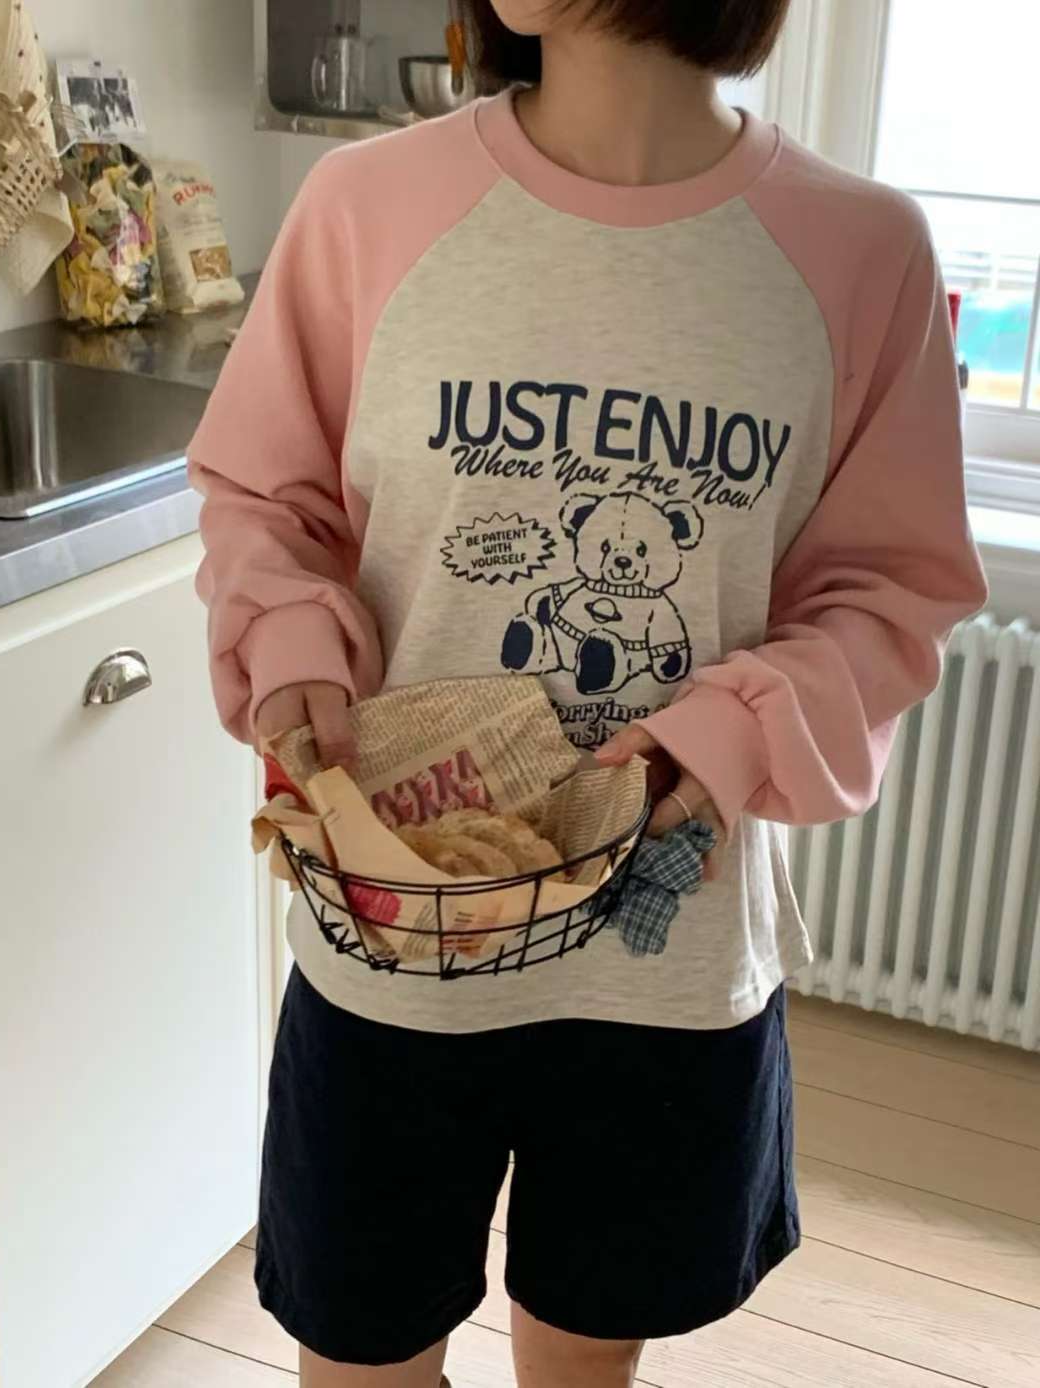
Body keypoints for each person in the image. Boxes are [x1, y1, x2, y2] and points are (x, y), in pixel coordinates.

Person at [188, 1, 988, 1383]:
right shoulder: (366, 207)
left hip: (662, 965)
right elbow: (268, 498)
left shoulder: (865, 253)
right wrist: (296, 647)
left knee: (583, 1362)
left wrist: (721, 738)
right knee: (361, 1350)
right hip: (400, 937)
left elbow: (887, 591)